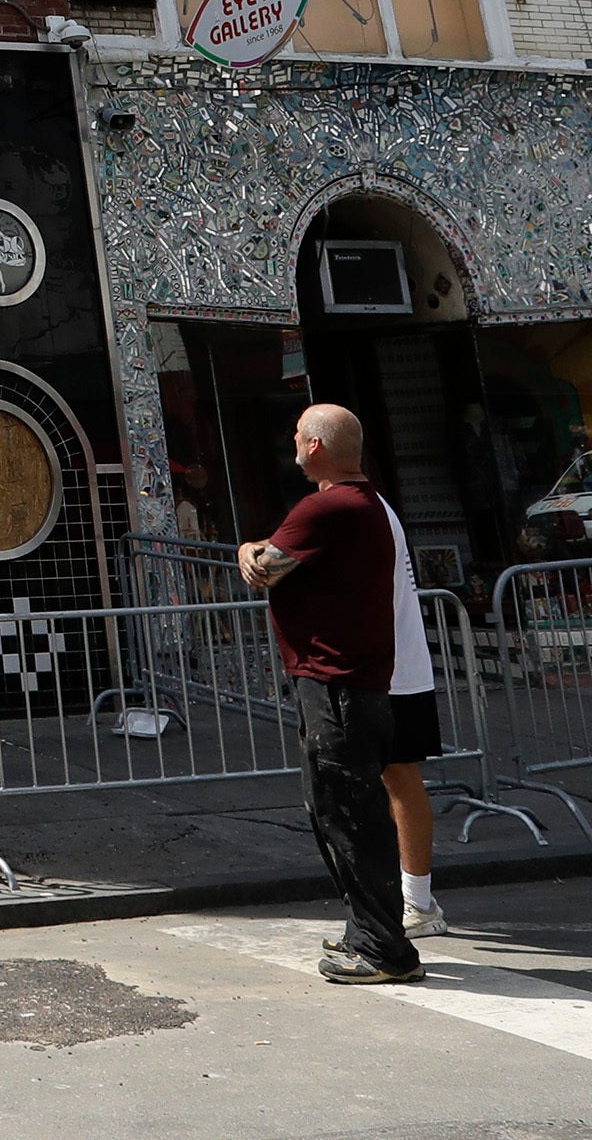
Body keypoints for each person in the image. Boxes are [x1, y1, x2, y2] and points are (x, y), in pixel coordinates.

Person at [237, 405, 422, 985]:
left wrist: (247, 549)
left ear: (316, 446)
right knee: (335, 810)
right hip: (350, 684)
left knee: (349, 815)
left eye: (297, 434)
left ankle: (383, 948)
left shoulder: (326, 506)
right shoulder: (358, 506)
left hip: (338, 686)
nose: (292, 440)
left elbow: (264, 568)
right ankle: (367, 930)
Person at [370, 495, 446, 939]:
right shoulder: (370, 507)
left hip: (395, 671)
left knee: (399, 779)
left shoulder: (365, 508)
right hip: (389, 669)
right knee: (386, 781)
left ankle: (418, 901)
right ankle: (409, 896)